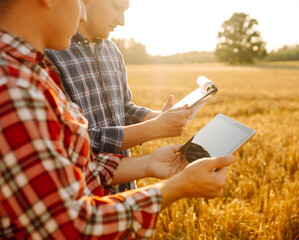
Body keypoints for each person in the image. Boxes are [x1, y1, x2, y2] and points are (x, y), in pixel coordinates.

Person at [0, 0, 235, 238]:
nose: (81, 14)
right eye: (79, 1)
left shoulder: (31, 72)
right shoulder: (15, 87)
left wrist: (147, 163)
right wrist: (176, 187)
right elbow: (71, 227)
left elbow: (76, 161)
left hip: (115, 200)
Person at [45, 0, 192, 191]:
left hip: (125, 187)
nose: (122, 21)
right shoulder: (50, 55)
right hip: (86, 193)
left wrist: (159, 117)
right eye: (117, 7)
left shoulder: (112, 51)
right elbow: (75, 143)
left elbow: (123, 108)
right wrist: (153, 128)